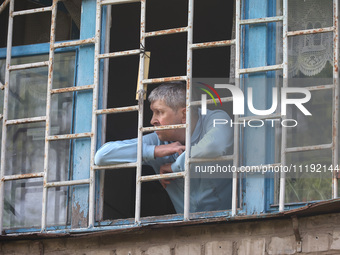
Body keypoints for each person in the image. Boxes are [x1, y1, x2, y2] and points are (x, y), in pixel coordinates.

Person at [95, 82, 233, 213]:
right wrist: (153, 151)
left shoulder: (215, 119)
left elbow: (213, 146)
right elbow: (102, 156)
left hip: (234, 222)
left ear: (184, 115)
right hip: (188, 230)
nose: (152, 121)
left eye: (159, 112)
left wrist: (174, 167)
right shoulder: (158, 140)